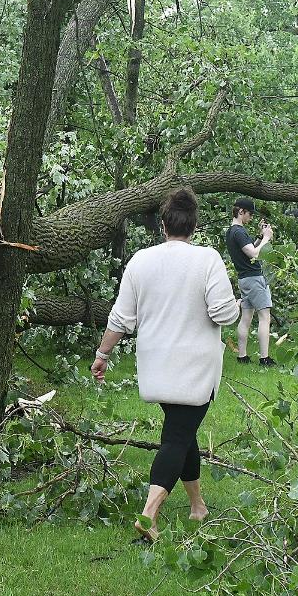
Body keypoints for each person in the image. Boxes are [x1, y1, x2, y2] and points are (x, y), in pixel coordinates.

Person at [92, 188, 239, 542]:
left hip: (156, 366)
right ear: (195, 225)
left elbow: (122, 317)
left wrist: (102, 354)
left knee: (182, 431)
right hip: (195, 368)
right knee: (176, 436)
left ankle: (197, 505)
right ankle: (148, 515)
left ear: (163, 225)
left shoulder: (140, 260)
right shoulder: (208, 260)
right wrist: (235, 303)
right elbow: (223, 312)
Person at [224, 198, 275, 366]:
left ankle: (242, 356)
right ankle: (264, 358)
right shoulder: (239, 231)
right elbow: (253, 254)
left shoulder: (231, 232)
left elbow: (249, 249)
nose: (251, 218)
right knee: (264, 317)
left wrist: (260, 237)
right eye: (250, 214)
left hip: (243, 279)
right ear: (241, 212)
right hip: (254, 278)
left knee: (246, 317)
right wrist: (267, 238)